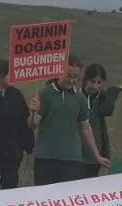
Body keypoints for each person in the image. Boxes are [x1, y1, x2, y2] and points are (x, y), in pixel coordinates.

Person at [27, 55, 108, 185]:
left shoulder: (79, 98)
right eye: (68, 76)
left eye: (76, 77)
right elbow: (33, 124)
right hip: (46, 156)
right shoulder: (45, 94)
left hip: (72, 158)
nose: (72, 80)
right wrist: (33, 113)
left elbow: (85, 128)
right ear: (59, 72)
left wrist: (96, 156)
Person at [0, 59, 32, 191]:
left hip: (12, 153)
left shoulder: (16, 95)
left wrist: (27, 145)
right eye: (9, 74)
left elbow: (24, 122)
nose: (13, 78)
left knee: (11, 188)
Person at [82, 63, 122, 176]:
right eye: (92, 81)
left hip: (96, 154)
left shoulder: (101, 97)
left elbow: (107, 111)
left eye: (99, 82)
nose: (95, 86)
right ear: (85, 80)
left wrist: (112, 93)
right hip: (77, 154)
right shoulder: (77, 96)